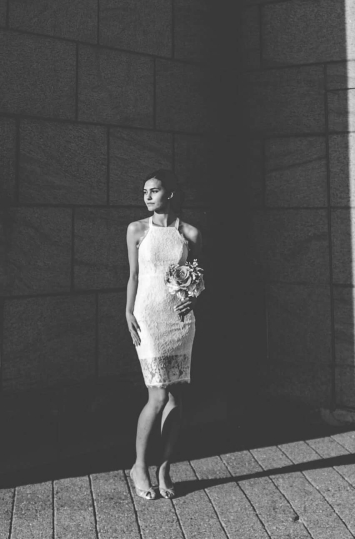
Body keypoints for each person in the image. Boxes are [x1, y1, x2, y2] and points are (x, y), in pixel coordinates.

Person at [125, 169, 200, 500]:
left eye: (154, 191)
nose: (147, 196)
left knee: (175, 397)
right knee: (157, 395)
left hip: (179, 321)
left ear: (170, 193)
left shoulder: (190, 233)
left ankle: (165, 468)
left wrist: (192, 297)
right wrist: (127, 312)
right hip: (148, 318)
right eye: (144, 192)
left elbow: (196, 278)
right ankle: (139, 466)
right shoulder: (136, 230)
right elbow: (133, 275)